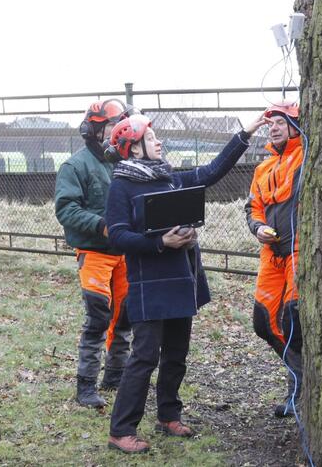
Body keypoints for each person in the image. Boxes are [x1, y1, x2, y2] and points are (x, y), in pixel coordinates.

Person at [105, 113, 268, 454]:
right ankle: (121, 430)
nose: (158, 142)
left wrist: (246, 133)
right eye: (151, 139)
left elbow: (210, 173)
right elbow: (118, 236)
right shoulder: (121, 186)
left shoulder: (169, 178)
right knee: (144, 357)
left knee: (176, 354)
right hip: (149, 283)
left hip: (181, 278)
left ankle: (168, 415)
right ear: (134, 150)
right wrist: (161, 243)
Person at [55, 99, 133, 408]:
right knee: (98, 317)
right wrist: (101, 226)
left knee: (124, 316)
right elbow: (66, 209)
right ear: (95, 129)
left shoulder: (125, 162)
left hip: (125, 251)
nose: (117, 130)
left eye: (120, 125)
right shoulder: (75, 166)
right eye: (112, 125)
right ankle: (86, 386)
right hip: (95, 251)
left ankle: (115, 376)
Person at [244, 102, 305, 418]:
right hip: (272, 254)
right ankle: (300, 379)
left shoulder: (307, 158)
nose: (274, 127)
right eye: (270, 124)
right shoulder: (262, 169)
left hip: (300, 250)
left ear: (296, 125)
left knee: (294, 320)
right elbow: (252, 208)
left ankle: (300, 390)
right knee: (264, 322)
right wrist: (258, 227)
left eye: (280, 121)